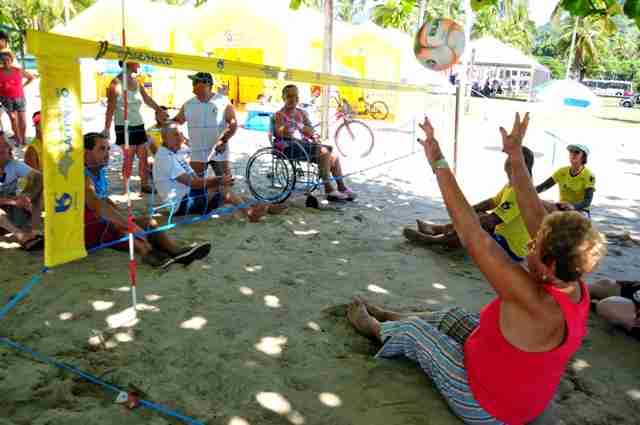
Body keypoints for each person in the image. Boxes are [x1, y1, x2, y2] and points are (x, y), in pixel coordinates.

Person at [347, 113, 607, 425]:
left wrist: (438, 160)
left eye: (535, 244)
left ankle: (376, 328)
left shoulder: (534, 300)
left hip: (488, 406)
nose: (530, 242)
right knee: (453, 317)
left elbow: (471, 233)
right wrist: (515, 153)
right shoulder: (572, 277)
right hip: (513, 379)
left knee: (416, 333)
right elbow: (531, 207)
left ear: (550, 263)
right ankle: (389, 315)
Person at [83, 132, 210, 268]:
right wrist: (126, 224)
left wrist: (123, 216)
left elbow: (104, 200)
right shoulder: (83, 175)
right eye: (101, 149)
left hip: (101, 222)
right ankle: (149, 254)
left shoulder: (99, 171)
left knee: (148, 222)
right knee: (123, 228)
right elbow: (95, 203)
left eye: (108, 149)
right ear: (86, 153)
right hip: (88, 229)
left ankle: (176, 251)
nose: (107, 153)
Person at [404, 146, 535, 262]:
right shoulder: (514, 183)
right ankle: (438, 230)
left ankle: (435, 241)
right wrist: (468, 210)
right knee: (478, 215)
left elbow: (491, 221)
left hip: (510, 248)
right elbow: (492, 202)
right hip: (502, 235)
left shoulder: (520, 190)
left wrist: (460, 222)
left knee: (477, 226)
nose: (506, 162)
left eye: (509, 158)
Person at [153, 122, 277, 222]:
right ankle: (250, 214)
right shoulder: (166, 158)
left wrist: (218, 145)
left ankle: (266, 207)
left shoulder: (174, 150)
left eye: (180, 134)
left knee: (228, 192)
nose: (179, 137)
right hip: (180, 205)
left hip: (187, 196)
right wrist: (218, 179)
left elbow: (196, 148)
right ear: (164, 138)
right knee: (222, 188)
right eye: (175, 135)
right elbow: (193, 183)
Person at [274, 84, 356, 202]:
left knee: (333, 156)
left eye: (295, 96)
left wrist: (310, 133)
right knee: (324, 150)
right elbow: (280, 132)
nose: (293, 99)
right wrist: (298, 128)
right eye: (289, 96)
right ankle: (329, 189)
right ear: (283, 98)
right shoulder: (279, 114)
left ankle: (341, 187)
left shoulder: (301, 113)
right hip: (288, 146)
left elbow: (311, 131)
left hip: (302, 144)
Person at [103, 61, 168, 194]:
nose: (139, 65)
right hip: (124, 126)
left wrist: (159, 110)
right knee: (129, 156)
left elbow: (147, 99)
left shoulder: (137, 81)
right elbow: (110, 107)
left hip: (139, 124)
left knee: (143, 156)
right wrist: (106, 128)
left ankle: (144, 185)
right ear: (128, 63)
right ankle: (126, 188)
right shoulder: (115, 83)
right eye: (136, 63)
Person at [172, 72, 236, 177]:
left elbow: (233, 124)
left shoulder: (223, 101)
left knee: (224, 184)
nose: (193, 84)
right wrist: (166, 121)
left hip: (218, 151)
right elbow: (177, 121)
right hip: (197, 152)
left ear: (206, 85)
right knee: (198, 185)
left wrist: (223, 141)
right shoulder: (189, 104)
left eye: (195, 82)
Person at [0, 132, 43, 250]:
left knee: (39, 191)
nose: (8, 148)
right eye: (2, 146)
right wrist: (12, 201)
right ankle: (21, 236)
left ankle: (35, 231)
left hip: (11, 210)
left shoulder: (13, 164)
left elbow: (38, 177)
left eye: (6, 144)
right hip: (5, 212)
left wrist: (27, 196)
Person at [536, 144, 595, 217]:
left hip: (580, 210)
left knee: (572, 220)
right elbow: (543, 187)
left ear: (583, 157)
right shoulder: (561, 171)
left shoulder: (589, 175)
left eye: (576, 152)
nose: (573, 154)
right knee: (538, 203)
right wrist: (528, 191)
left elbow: (587, 201)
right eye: (571, 151)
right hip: (561, 207)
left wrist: (573, 206)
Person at [0, 51, 34, 146]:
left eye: (8, 60)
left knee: (22, 119)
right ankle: (18, 138)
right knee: (13, 119)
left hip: (19, 97)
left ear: (11, 60)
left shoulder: (18, 70)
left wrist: (22, 86)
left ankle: (23, 138)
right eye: (3, 61)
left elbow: (31, 77)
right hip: (6, 99)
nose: (6, 62)